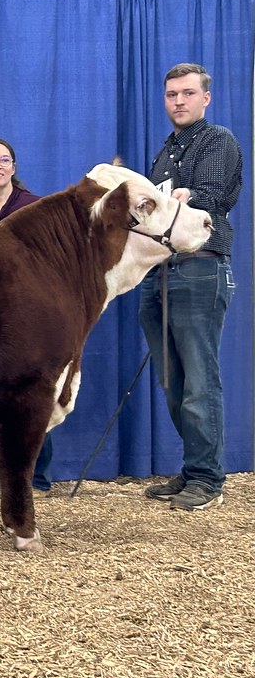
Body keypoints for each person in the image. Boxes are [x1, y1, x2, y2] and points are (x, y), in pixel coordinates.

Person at [139, 63, 242, 511]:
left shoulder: (218, 140)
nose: (177, 101)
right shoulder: (164, 152)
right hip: (159, 271)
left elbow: (213, 194)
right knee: (173, 380)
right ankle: (196, 465)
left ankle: (208, 479)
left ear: (205, 98)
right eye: (170, 95)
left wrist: (173, 198)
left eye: (186, 93)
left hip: (199, 268)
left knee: (200, 379)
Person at [0, 137, 53, 492]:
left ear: (14, 168)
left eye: (4, 160)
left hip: (27, 318)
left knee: (31, 394)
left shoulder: (33, 208)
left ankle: (35, 476)